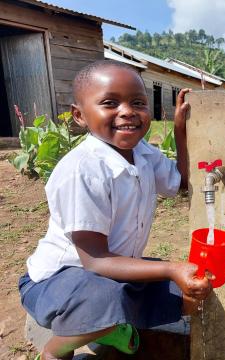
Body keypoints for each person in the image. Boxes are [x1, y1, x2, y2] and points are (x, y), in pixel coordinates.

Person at [18, 60, 213, 360]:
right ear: (80, 116)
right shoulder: (82, 170)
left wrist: (180, 128)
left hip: (110, 273)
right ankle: (55, 351)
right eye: (110, 103)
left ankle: (108, 327)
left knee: (181, 294)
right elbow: (94, 261)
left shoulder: (142, 153)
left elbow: (181, 183)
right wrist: (172, 268)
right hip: (58, 282)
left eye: (138, 102)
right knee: (107, 296)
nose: (127, 111)